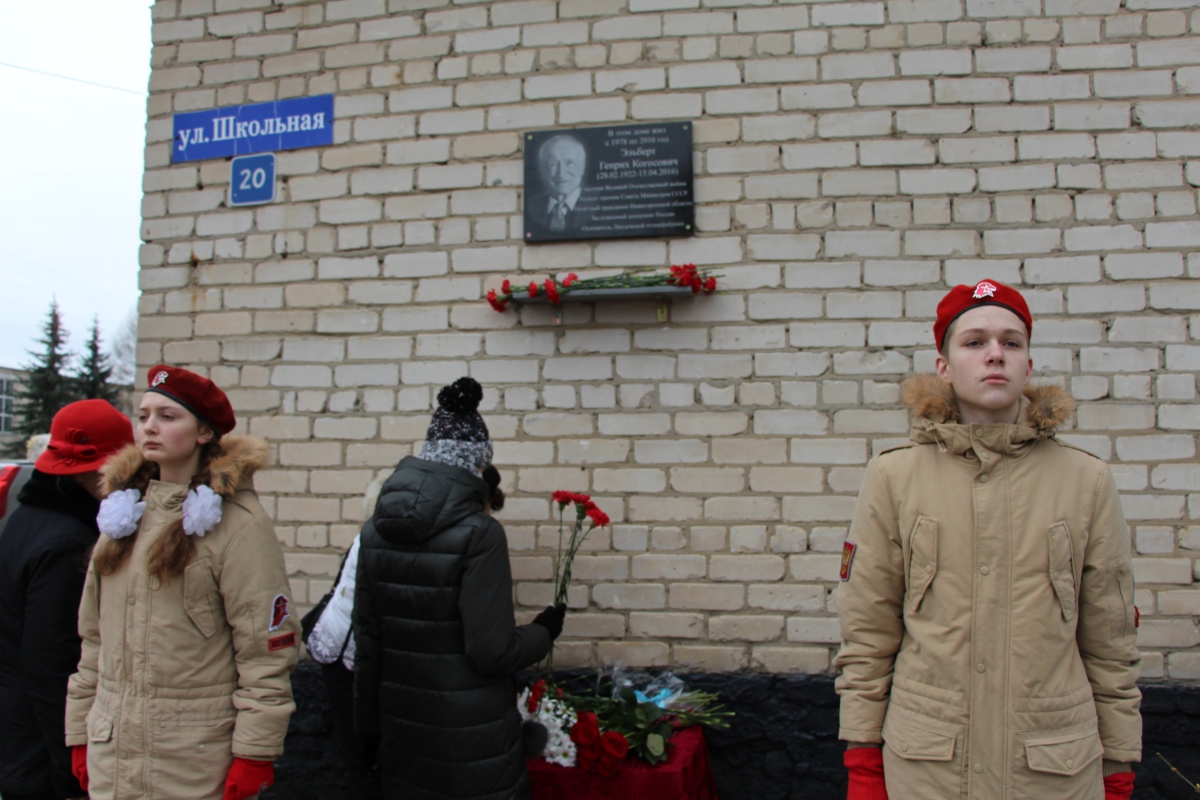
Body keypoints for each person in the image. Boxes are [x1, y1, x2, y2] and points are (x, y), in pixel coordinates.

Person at [835, 280, 1140, 800]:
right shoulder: (895, 477)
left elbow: (1110, 642)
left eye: (1011, 342)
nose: (995, 354)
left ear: (1027, 365)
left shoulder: (1085, 481)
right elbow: (868, 630)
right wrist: (863, 759)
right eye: (974, 342)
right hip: (928, 767)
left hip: (1053, 769)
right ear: (945, 367)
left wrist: (1118, 763)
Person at [65, 365, 300, 800]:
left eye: (168, 416)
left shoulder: (237, 526)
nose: (149, 427)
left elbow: (265, 650)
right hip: (113, 754)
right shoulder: (122, 517)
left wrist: (255, 750)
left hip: (191, 760)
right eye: (143, 416)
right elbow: (93, 640)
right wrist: (80, 731)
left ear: (204, 433)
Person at [354, 377, 565, 800]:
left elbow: (369, 646)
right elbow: (492, 651)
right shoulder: (480, 533)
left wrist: (369, 735)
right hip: (472, 739)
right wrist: (544, 630)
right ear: (477, 466)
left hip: (403, 730)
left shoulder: (374, 532)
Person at [0, 400, 133, 800]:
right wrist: (69, 764)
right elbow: (53, 662)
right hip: (38, 747)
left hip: (17, 731)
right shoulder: (68, 542)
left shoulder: (29, 516)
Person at [526, 134, 587, 236]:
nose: (561, 173)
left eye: (569, 163)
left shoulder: (598, 204)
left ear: (582, 167)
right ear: (543, 170)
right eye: (553, 164)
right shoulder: (532, 207)